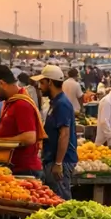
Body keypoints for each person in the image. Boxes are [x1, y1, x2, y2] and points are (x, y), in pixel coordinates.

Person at [0, 65, 44, 177]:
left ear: (2, 84)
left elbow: (29, 137)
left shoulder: (21, 104)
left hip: (25, 170)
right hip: (14, 166)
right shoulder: (11, 102)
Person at [34, 65, 76, 199]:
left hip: (61, 161)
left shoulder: (62, 104)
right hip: (52, 159)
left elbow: (64, 134)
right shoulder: (55, 102)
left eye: (42, 82)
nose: (39, 87)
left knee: (60, 201)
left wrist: (58, 163)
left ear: (50, 82)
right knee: (53, 199)